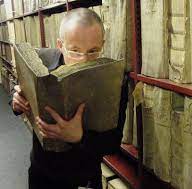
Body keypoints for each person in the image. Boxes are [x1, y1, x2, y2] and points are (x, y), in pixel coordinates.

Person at [10, 8, 128, 189]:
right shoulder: (41, 66)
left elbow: (113, 143)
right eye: (74, 50)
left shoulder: (114, 79)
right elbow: (19, 92)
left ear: (103, 44)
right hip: (42, 173)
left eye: (93, 51)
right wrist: (16, 102)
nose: (83, 60)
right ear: (60, 45)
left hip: (83, 178)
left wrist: (80, 137)